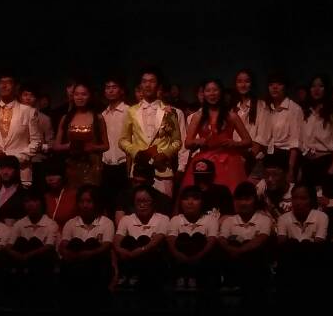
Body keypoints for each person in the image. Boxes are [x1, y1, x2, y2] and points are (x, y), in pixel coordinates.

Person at [119, 66, 182, 197]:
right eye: (144, 81)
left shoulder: (169, 111)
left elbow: (177, 141)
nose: (148, 85)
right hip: (139, 170)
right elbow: (123, 140)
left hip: (162, 170)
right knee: (141, 204)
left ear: (158, 85)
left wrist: (165, 154)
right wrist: (136, 152)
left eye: (152, 81)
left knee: (163, 206)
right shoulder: (131, 111)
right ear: (140, 85)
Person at [180, 78, 251, 193]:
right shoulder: (198, 116)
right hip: (204, 160)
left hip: (228, 161)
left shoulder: (231, 116)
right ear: (203, 94)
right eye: (208, 90)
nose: (212, 93)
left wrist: (235, 143)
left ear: (221, 92)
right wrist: (198, 141)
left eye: (215, 90)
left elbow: (248, 141)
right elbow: (187, 143)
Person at [0, 71, 43, 189]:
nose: (4, 86)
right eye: (1, 83)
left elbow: (36, 142)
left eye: (8, 83)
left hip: (20, 172)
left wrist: (13, 159)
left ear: (16, 87)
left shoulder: (28, 112)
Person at [59, 184, 115, 296]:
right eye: (81, 201)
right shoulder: (71, 223)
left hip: (97, 266)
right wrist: (73, 255)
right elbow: (64, 245)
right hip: (75, 264)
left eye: (89, 201)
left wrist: (89, 253)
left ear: (96, 203)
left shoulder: (106, 222)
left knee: (92, 243)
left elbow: (107, 245)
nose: (85, 205)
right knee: (76, 243)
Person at [217, 182, 274, 290]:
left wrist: (239, 251)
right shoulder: (229, 221)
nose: (243, 203)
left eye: (247, 199)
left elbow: (261, 239)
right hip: (233, 262)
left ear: (255, 201)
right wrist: (231, 249)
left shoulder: (264, 219)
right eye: (239, 199)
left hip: (256, 267)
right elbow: (222, 239)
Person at [113, 185, 169, 291]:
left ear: (153, 202)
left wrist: (141, 250)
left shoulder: (163, 219)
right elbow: (118, 237)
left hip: (152, 261)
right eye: (138, 201)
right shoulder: (126, 219)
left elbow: (158, 239)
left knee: (144, 240)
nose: (142, 205)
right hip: (129, 257)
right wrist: (120, 250)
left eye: (146, 201)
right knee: (128, 241)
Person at [53, 82, 108, 189]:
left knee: (90, 194)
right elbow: (56, 146)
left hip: (92, 166)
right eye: (77, 94)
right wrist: (70, 146)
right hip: (72, 165)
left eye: (84, 94)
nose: (80, 97)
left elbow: (106, 146)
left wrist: (92, 147)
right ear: (72, 96)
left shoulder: (98, 118)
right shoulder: (66, 118)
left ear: (90, 96)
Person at [167, 186, 219, 292]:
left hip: (202, 260)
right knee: (183, 237)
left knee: (198, 237)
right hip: (179, 260)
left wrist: (196, 257)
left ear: (202, 202)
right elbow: (171, 240)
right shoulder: (176, 219)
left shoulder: (210, 219)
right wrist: (179, 255)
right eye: (186, 198)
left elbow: (211, 241)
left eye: (195, 199)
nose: (190, 202)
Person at [6, 189, 60, 288]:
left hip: (43, 265)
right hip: (22, 262)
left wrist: (28, 255)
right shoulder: (19, 224)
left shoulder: (51, 224)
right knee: (21, 241)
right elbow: (9, 245)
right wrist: (18, 255)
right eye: (27, 201)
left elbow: (49, 246)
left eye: (34, 201)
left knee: (34, 242)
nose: (30, 204)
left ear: (42, 203)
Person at [258, 72, 303, 184]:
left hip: (286, 157)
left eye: (279, 84)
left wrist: (291, 169)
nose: (274, 87)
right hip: (269, 155)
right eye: (271, 84)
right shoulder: (266, 108)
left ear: (285, 87)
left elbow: (295, 142)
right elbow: (262, 137)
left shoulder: (294, 109)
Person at [300, 75, 333, 191]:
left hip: (325, 161)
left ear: (326, 89)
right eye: (313, 86)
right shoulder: (305, 111)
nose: (316, 89)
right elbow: (300, 139)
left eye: (321, 86)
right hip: (307, 161)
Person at [100, 75, 130, 216]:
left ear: (121, 90)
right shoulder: (102, 114)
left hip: (124, 164)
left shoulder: (129, 111)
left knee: (123, 207)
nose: (110, 90)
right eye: (108, 87)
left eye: (114, 87)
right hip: (106, 166)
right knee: (107, 206)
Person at [20, 83, 55, 189]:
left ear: (36, 99)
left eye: (31, 95)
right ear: (20, 97)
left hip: (37, 162)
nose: (28, 98)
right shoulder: (13, 117)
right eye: (25, 95)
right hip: (18, 161)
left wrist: (40, 147)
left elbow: (51, 143)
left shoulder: (44, 119)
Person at [232, 68, 266, 179]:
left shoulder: (261, 106)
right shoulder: (234, 108)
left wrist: (247, 159)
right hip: (235, 159)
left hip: (254, 160)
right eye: (239, 81)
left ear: (252, 84)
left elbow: (261, 137)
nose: (243, 85)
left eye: (247, 81)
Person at [44, 159, 79, 229]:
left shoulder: (75, 195)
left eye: (55, 174)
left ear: (63, 176)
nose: (51, 179)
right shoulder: (44, 197)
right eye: (48, 175)